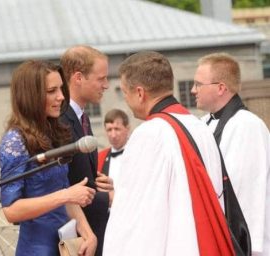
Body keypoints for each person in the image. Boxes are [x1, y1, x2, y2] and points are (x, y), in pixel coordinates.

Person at [103, 51, 235, 256]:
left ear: (140, 93)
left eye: (125, 93)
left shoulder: (148, 134)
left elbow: (135, 219)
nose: (126, 101)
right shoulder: (199, 126)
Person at [0, 60, 97, 256]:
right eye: (52, 91)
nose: (61, 97)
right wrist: (66, 195)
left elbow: (63, 191)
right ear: (30, 96)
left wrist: (88, 234)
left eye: (61, 89)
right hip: (36, 250)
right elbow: (11, 210)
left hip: (66, 245)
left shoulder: (55, 132)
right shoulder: (15, 141)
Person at [191, 52, 270, 256]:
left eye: (199, 84)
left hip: (243, 243)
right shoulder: (202, 124)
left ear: (221, 88)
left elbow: (247, 193)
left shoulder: (248, 126)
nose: (193, 90)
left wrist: (245, 247)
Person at [60, 45, 113, 256]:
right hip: (76, 239)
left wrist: (100, 186)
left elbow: (82, 178)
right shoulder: (61, 120)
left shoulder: (82, 117)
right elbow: (62, 185)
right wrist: (108, 198)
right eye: (101, 78)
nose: (106, 85)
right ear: (78, 77)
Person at [97, 109, 130, 188]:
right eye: (109, 130)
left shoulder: (139, 153)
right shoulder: (100, 157)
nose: (113, 135)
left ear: (127, 129)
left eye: (117, 129)